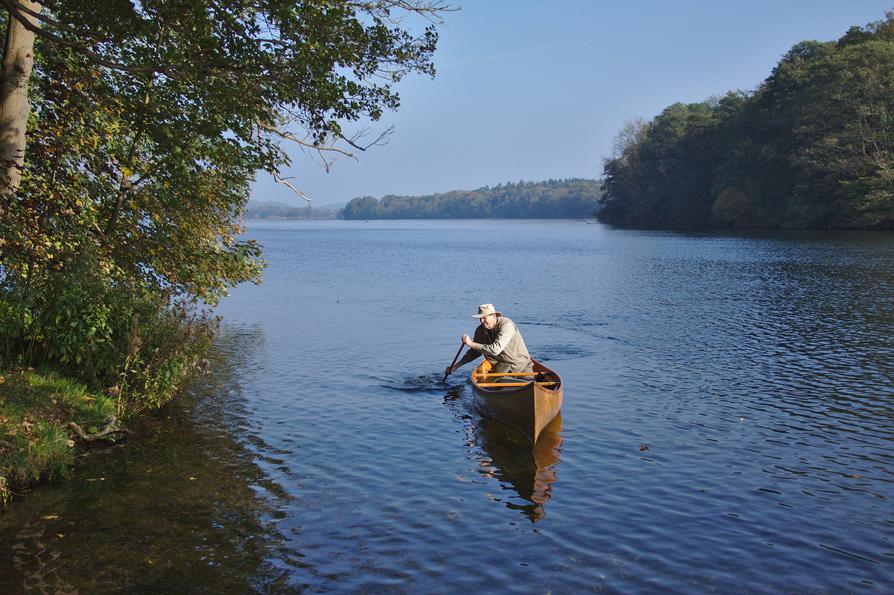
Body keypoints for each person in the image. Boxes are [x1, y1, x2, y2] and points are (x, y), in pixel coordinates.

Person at [445, 303, 533, 377]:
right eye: (480, 318)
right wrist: (456, 366)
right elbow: (475, 352)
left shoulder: (506, 325)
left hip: (521, 368)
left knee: (528, 383)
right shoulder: (480, 330)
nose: (481, 321)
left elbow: (495, 350)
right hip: (502, 369)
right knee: (499, 385)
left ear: (493, 316)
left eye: (484, 318)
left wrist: (470, 343)